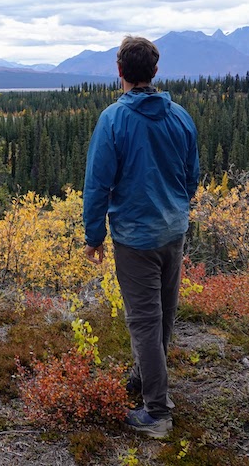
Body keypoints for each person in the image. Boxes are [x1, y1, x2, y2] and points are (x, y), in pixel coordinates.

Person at [83, 36, 199, 439]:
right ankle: (144, 377)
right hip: (173, 231)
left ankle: (157, 411)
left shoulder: (113, 120)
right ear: (154, 71)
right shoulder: (180, 116)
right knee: (163, 314)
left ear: (120, 73)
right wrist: (177, 208)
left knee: (144, 322)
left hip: (135, 237)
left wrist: (93, 236)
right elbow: (191, 176)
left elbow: (97, 185)